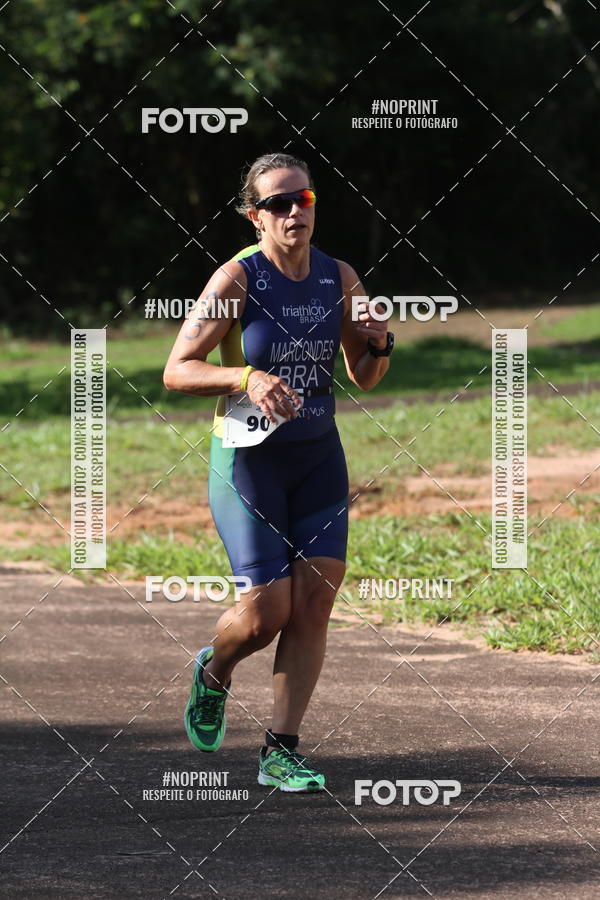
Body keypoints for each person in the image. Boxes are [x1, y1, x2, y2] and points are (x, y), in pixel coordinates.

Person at [163, 152, 393, 791]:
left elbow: (365, 376)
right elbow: (176, 368)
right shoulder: (237, 280)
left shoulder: (338, 275)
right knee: (266, 615)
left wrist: (379, 341)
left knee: (315, 603)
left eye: (305, 199)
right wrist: (244, 375)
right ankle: (214, 671)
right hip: (249, 462)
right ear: (254, 215)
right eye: (279, 203)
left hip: (319, 456)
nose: (295, 211)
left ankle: (280, 750)